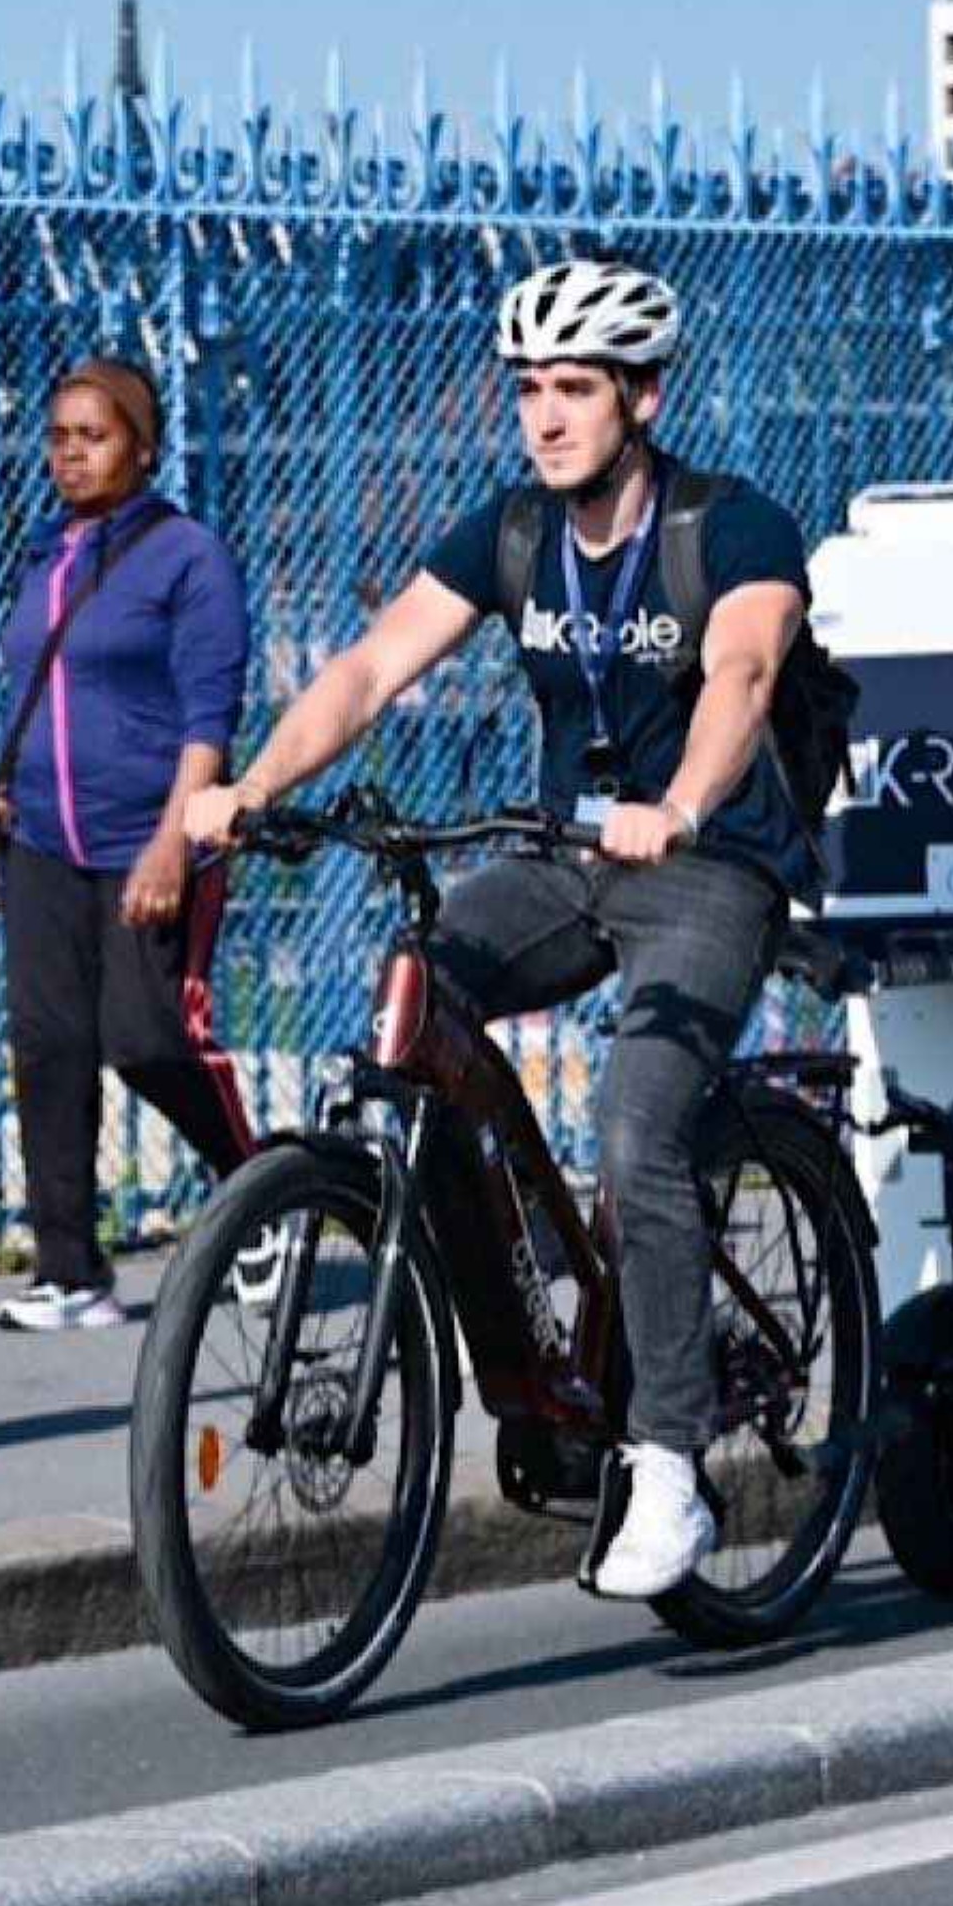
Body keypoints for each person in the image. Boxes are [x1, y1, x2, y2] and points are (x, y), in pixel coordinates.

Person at [183, 260, 819, 1600]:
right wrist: (249, 790)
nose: (545, 414)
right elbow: (367, 670)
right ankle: (529, 1308)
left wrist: (684, 804)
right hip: (561, 860)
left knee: (639, 1127)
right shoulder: (515, 535)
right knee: (422, 989)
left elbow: (743, 673)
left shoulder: (734, 528)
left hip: (704, 869)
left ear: (642, 396)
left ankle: (667, 1459)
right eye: (529, 388)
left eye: (575, 387)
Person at [0, 355, 256, 1331]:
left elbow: (209, 712)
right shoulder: (46, 553)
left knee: (147, 1041)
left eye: (91, 436)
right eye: (57, 436)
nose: (69, 453)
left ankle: (257, 1193)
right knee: (49, 1047)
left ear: (142, 448)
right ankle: (71, 1270)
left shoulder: (188, 556)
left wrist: (174, 842)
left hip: (148, 838)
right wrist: (5, 807)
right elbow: (35, 694)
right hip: (43, 844)